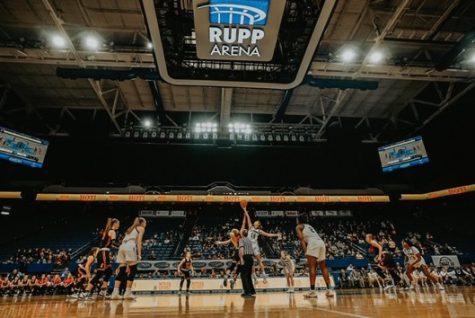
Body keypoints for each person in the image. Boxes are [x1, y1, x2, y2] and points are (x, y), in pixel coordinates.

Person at [296, 216, 334, 298]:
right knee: (323, 267)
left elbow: (301, 239)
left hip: (313, 244)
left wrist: (306, 251)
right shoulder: (309, 226)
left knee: (312, 267)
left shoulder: (298, 226)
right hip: (321, 243)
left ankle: (313, 291)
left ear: (298, 220)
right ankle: (329, 290)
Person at [110, 217, 147, 300]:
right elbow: (139, 241)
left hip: (122, 247)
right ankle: (127, 293)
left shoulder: (130, 229)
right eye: (145, 223)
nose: (145, 224)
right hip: (130, 246)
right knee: (133, 269)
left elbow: (123, 240)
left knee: (122, 270)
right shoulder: (141, 228)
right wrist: (139, 254)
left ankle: (115, 293)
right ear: (142, 223)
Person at [243, 205, 281, 282]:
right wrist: (245, 210)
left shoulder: (259, 231)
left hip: (254, 246)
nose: (255, 222)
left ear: (258, 225)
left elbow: (268, 234)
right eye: (255, 221)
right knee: (251, 263)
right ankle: (255, 278)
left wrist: (276, 234)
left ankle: (264, 277)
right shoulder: (250, 227)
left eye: (256, 222)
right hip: (249, 246)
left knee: (259, 261)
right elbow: (248, 217)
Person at [215, 211, 247, 289]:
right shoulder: (241, 235)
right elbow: (243, 224)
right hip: (242, 251)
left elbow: (226, 241)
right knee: (239, 267)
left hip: (236, 251)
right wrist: (245, 216)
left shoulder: (233, 238)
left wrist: (219, 242)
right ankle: (233, 279)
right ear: (238, 232)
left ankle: (226, 276)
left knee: (232, 266)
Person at [239, 229, 256, 298]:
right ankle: (252, 291)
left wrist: (242, 258)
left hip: (245, 257)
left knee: (243, 275)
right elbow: (252, 250)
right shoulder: (250, 240)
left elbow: (242, 249)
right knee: (249, 275)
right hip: (251, 257)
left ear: (242, 234)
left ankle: (247, 292)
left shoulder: (241, 240)